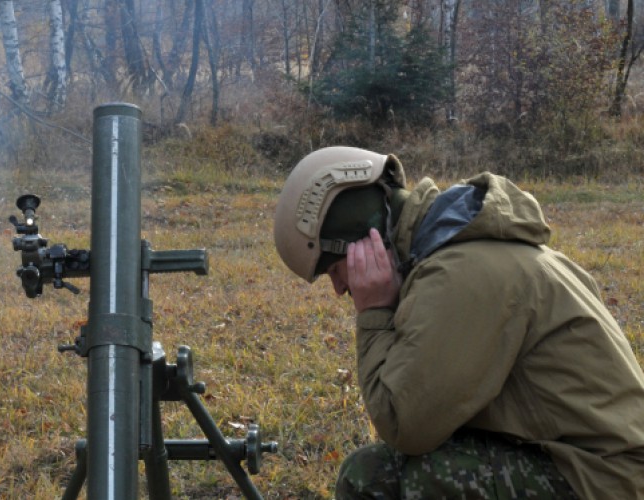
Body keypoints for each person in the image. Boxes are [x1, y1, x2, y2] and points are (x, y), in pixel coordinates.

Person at [273, 146, 644, 499]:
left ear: (365, 241)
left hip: (602, 480)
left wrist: (374, 313)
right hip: (594, 464)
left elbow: (404, 423)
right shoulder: (461, 248)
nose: (339, 287)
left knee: (372, 476)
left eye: (334, 269)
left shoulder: (459, 273)